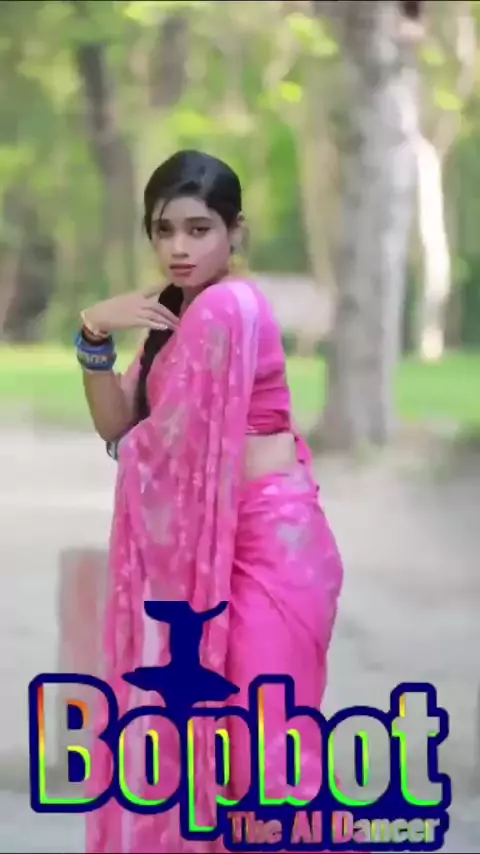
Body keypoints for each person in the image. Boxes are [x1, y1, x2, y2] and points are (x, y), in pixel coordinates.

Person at [77, 150, 347, 853]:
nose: (179, 247)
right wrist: (93, 335)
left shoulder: (230, 306)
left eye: (199, 230)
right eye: (164, 230)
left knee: (266, 752)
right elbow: (117, 424)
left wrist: (135, 440)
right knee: (220, 750)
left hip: (271, 548)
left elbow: (158, 440)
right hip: (221, 546)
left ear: (235, 232)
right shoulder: (173, 313)